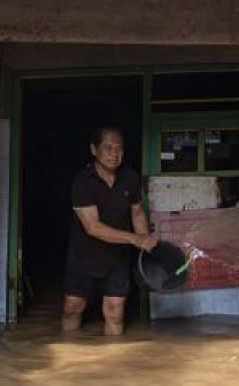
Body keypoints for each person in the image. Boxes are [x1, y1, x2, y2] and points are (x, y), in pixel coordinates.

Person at [62, 126, 158, 335]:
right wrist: (134, 239)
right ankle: (69, 347)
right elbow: (92, 227)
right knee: (72, 308)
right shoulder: (82, 182)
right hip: (83, 255)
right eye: (108, 147)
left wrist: (144, 242)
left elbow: (137, 212)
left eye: (119, 148)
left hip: (117, 257)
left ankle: (115, 352)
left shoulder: (130, 178)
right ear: (94, 149)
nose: (114, 154)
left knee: (115, 313)